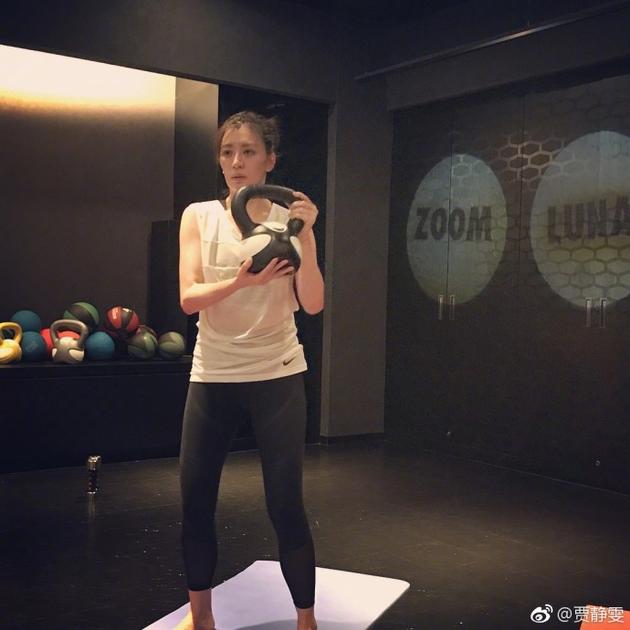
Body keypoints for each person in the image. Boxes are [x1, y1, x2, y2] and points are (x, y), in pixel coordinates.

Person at [175, 111, 324, 630]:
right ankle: (202, 618)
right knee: (196, 503)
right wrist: (242, 283)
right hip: (213, 374)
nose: (236, 162)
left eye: (248, 152)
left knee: (285, 504)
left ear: (270, 160)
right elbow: (189, 298)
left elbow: (313, 303)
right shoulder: (199, 216)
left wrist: (308, 237)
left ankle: (306, 621)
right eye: (227, 152)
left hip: (277, 372)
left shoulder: (290, 222)